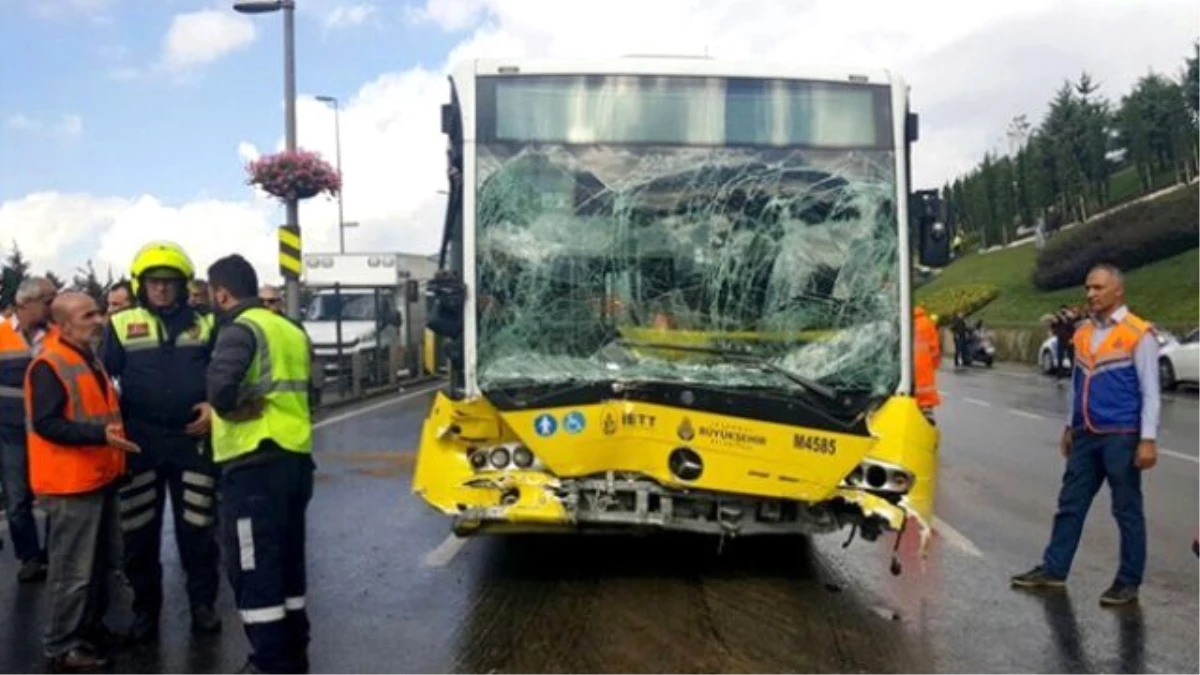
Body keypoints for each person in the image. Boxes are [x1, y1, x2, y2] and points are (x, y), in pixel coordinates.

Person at [1011, 263, 1159, 606]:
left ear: (1117, 291)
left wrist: (1147, 439)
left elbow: (1150, 390)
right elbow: (1078, 384)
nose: (1090, 294)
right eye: (1088, 288)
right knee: (1070, 504)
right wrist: (1069, 425)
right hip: (1085, 434)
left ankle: (1128, 581)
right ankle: (1054, 568)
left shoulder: (1139, 334)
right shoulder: (1083, 333)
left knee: (1126, 509)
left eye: (1098, 288)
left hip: (1121, 434)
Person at [100, 241, 222, 641]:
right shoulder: (119, 324)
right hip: (141, 442)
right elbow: (103, 379)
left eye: (170, 282)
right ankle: (145, 611)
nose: (163, 289)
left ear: (184, 285)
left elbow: (226, 374)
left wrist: (214, 407)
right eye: (155, 282)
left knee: (198, 530)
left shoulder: (207, 322)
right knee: (139, 533)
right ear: (142, 284)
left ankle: (202, 606)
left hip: (193, 441)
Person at [206, 254, 315, 675]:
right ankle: (294, 653)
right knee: (289, 562)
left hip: (253, 463)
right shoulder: (289, 329)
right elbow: (314, 390)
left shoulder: (241, 329)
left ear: (222, 293)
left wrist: (236, 406)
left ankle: (268, 663)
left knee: (254, 566)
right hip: (295, 459)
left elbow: (219, 390)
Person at [27, 291, 140, 671]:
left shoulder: (88, 357)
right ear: (62, 323)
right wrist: (99, 437)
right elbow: (46, 423)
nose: (98, 319)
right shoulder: (50, 364)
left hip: (99, 476)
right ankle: (62, 644)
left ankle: (90, 630)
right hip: (70, 485)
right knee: (72, 572)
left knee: (103, 564)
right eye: (87, 315)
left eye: (98, 312)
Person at [0, 277, 55, 582]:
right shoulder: (1, 335)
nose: (53, 305)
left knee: (52, 494)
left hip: (48, 431)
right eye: (48, 301)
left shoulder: (57, 336)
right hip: (10, 431)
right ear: (26, 303)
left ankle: (53, 552)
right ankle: (30, 557)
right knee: (17, 496)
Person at [913, 305, 941, 415]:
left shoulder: (904, 322)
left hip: (907, 366)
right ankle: (927, 409)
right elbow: (934, 348)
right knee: (925, 389)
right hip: (924, 364)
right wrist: (934, 364)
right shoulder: (927, 323)